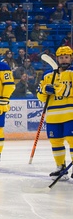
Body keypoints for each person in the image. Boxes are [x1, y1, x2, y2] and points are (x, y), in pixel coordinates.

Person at [37, 46, 73, 179]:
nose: (64, 60)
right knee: (55, 141)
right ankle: (60, 167)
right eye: (61, 57)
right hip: (53, 116)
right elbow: (40, 97)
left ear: (71, 58)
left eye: (67, 57)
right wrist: (44, 90)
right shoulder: (48, 75)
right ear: (57, 59)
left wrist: (61, 89)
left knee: (72, 140)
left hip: (70, 114)